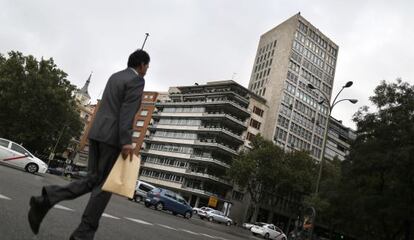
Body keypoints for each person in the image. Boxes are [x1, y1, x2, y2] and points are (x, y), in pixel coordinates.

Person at [28, 49, 150, 240]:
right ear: (142, 65)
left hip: (97, 134)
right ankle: (83, 235)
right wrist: (127, 141)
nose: (147, 70)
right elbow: (127, 112)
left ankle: (46, 200)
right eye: (147, 66)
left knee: (92, 179)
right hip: (112, 139)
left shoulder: (115, 76)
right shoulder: (137, 81)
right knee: (103, 188)